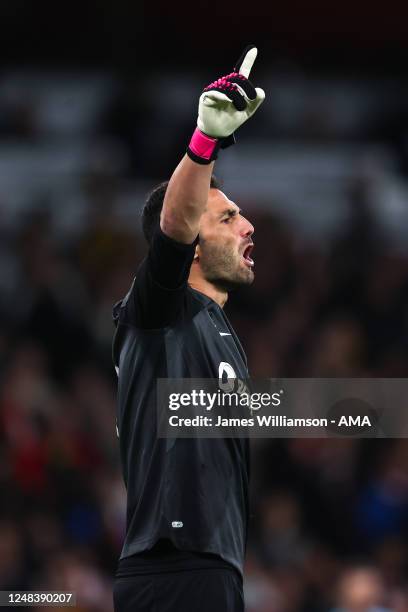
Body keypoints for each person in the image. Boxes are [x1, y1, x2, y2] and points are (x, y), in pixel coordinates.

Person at [112, 46, 265, 612]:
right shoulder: (161, 310)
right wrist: (204, 140)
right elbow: (173, 228)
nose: (248, 226)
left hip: (213, 571)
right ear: (189, 246)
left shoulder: (216, 329)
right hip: (173, 571)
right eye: (227, 217)